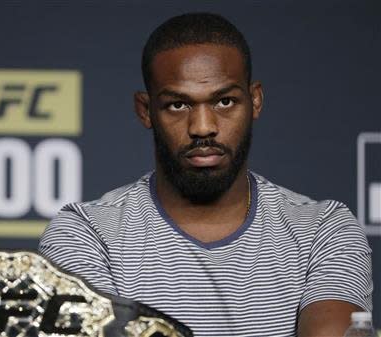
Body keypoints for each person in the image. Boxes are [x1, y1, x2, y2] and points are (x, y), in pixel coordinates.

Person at [39, 13, 372, 337]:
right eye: (178, 105)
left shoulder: (323, 230)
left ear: (255, 101)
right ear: (146, 110)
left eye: (225, 102)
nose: (203, 127)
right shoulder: (87, 234)